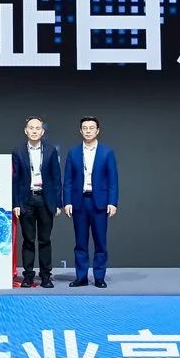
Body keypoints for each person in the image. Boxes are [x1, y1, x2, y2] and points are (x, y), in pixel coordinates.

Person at [62, 115, 117, 288]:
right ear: (80, 131)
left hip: (99, 202)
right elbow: (68, 179)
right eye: (85, 128)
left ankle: (99, 277)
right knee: (80, 242)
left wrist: (112, 202)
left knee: (100, 242)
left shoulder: (107, 152)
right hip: (79, 202)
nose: (88, 131)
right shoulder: (73, 152)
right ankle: (81, 277)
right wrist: (67, 201)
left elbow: (113, 180)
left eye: (91, 128)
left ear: (97, 130)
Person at [11, 116, 62, 288]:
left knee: (45, 240)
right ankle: (28, 276)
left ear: (42, 131)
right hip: (26, 200)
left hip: (46, 200)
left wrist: (58, 203)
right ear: (26, 131)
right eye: (31, 128)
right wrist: (16, 204)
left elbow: (56, 178)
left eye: (37, 128)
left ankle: (46, 276)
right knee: (28, 240)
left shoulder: (50, 150)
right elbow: (15, 180)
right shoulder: (18, 151)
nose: (34, 131)